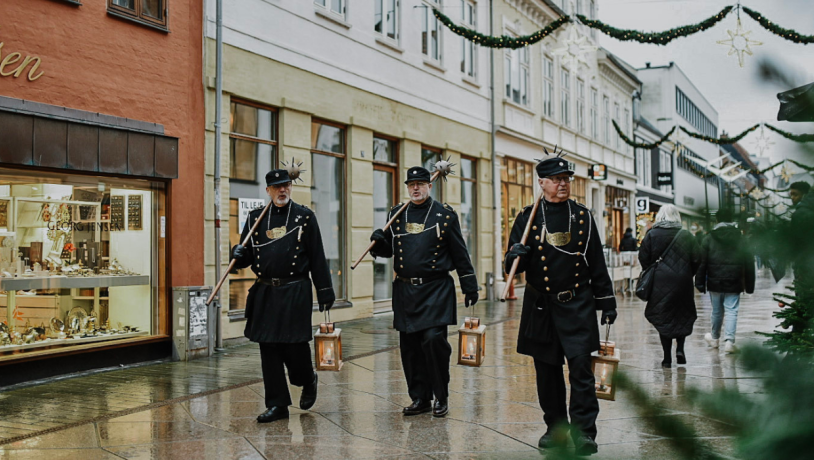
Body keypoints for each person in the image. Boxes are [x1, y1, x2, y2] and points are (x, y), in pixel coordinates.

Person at [504, 157, 616, 456]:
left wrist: (606, 301)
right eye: (556, 179)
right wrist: (515, 254)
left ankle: (584, 432)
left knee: (581, 370)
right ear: (542, 182)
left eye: (566, 178)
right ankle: (555, 428)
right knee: (547, 372)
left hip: (577, 303)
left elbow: (596, 260)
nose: (563, 183)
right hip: (541, 306)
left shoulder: (582, 216)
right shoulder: (527, 217)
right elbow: (512, 267)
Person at [369, 166, 479, 418]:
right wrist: (378, 242)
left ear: (430, 185)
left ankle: (441, 395)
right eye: (411, 184)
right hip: (405, 290)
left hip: (435, 289)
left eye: (420, 184)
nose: (415, 188)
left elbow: (460, 252)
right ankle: (420, 398)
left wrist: (469, 285)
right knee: (410, 348)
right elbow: (389, 251)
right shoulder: (397, 214)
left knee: (433, 341)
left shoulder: (445, 215)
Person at [231, 169, 335, 423]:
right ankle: (277, 404)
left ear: (291, 187)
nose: (282, 190)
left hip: (295, 290)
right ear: (268, 190)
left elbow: (317, 255)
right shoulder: (256, 218)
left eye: (286, 185)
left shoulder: (304, 217)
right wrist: (238, 254)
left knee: (295, 346)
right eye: (277, 187)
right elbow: (246, 257)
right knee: (269, 349)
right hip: (266, 291)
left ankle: (307, 379)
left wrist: (324, 289)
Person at [638, 205, 700, 367]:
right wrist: (688, 273)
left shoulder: (651, 234)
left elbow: (643, 258)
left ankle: (667, 358)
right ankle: (680, 349)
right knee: (682, 313)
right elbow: (697, 258)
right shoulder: (686, 235)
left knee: (663, 315)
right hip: (683, 281)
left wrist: (653, 270)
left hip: (660, 280)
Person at [696, 208, 755, 354]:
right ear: (731, 220)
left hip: (715, 279)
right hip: (734, 279)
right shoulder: (741, 238)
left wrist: (700, 282)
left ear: (717, 220)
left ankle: (715, 338)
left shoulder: (709, 238)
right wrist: (750, 284)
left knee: (716, 311)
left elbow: (702, 262)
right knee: (731, 310)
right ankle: (729, 341)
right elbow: (748, 261)